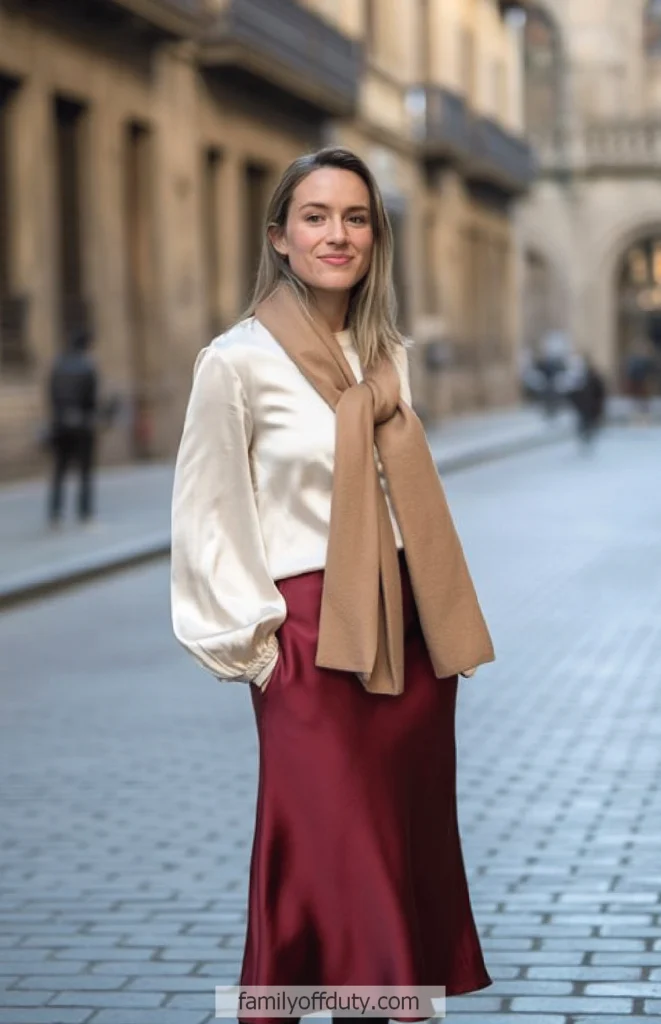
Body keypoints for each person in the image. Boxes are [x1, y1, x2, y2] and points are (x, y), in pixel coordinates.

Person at [170, 147, 495, 1024]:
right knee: (322, 845)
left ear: (374, 237)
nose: (336, 234)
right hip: (312, 634)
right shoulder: (233, 363)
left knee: (397, 846)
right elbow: (208, 514)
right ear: (279, 237)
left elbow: (399, 502)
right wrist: (256, 645)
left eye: (354, 217)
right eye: (314, 216)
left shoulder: (387, 357)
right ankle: (301, 1005)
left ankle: (389, 1005)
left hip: (409, 634)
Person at [47, 328, 98, 526]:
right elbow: (91, 399)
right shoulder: (87, 367)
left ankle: (55, 512)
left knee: (59, 470)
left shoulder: (58, 366)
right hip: (82, 426)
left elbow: (51, 395)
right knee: (85, 471)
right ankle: (84, 512)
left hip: (60, 424)